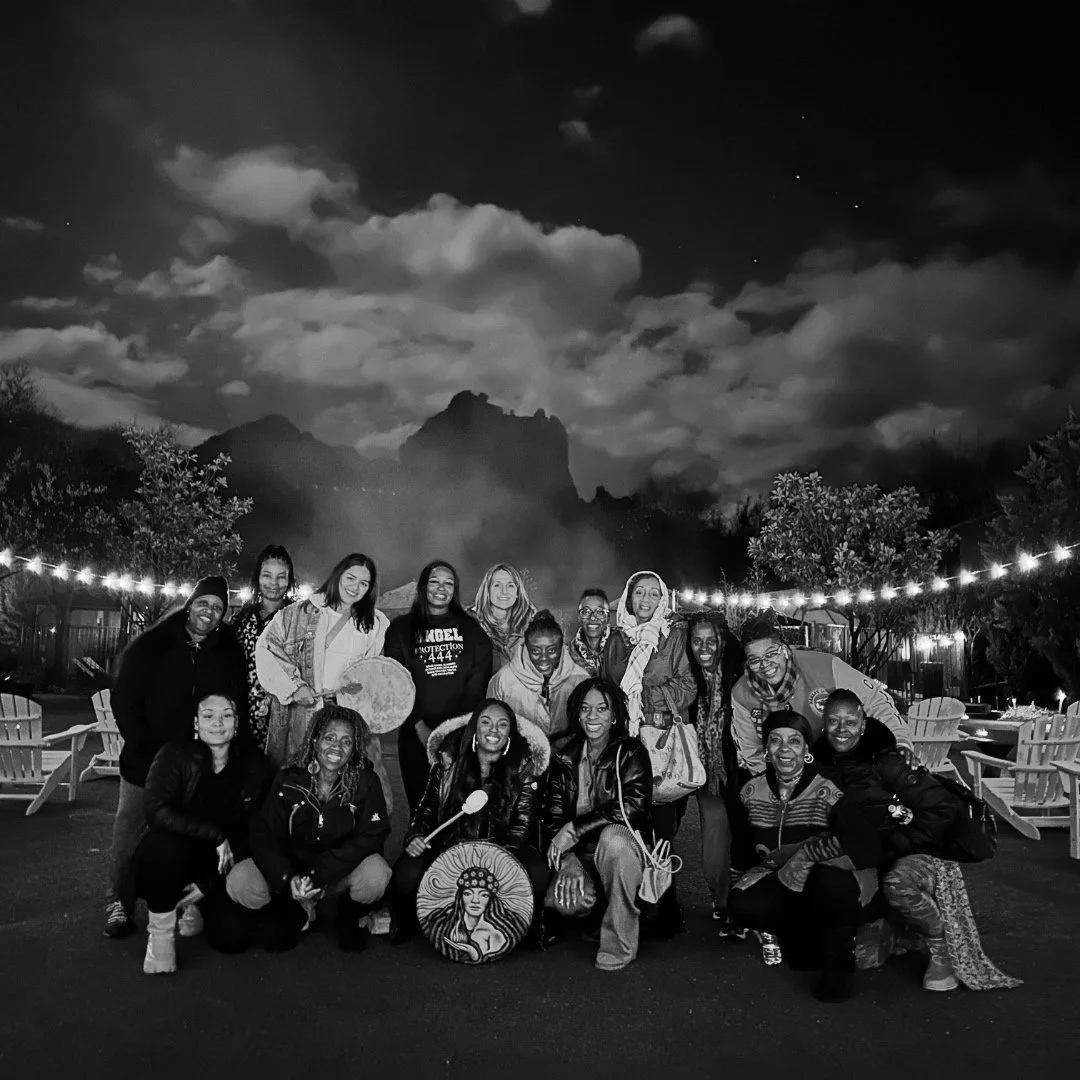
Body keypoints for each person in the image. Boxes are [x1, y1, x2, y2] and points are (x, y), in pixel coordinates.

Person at [817, 689, 1022, 992]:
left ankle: (940, 949)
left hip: (913, 850)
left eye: (850, 721)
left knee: (896, 884)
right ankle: (894, 927)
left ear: (863, 725)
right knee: (856, 940)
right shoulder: (820, 764)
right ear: (824, 724)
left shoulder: (889, 762)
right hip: (863, 853)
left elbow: (942, 808)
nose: (841, 729)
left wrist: (897, 845)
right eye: (834, 721)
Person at [104, 575, 248, 940]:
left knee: (184, 834)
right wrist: (141, 741)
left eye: (218, 608)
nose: (209, 612)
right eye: (203, 603)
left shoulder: (228, 650)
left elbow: (237, 700)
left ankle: (181, 902)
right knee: (130, 829)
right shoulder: (152, 644)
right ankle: (119, 901)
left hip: (196, 763)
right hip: (146, 758)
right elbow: (124, 698)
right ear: (190, 604)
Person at [728, 709, 882, 1003]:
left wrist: (806, 855)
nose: (784, 750)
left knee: (827, 883)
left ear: (806, 749)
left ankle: (842, 959)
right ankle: (802, 937)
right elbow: (742, 846)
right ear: (766, 748)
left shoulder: (828, 786)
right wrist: (737, 889)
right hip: (786, 878)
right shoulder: (750, 790)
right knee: (744, 903)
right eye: (776, 741)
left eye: (794, 741)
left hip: (840, 879)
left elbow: (866, 845)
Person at [227, 703, 392, 953]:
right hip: (295, 873)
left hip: (336, 872)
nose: (336, 747)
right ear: (315, 740)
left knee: (376, 874)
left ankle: (347, 916)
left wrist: (320, 873)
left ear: (354, 749)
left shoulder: (366, 782)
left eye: (346, 742)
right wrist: (288, 877)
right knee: (240, 881)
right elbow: (264, 834)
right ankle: (292, 910)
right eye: (329, 738)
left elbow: (373, 834)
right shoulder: (289, 778)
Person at [390, 698, 550, 944]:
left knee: (538, 874)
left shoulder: (523, 767)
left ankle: (529, 923)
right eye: (485, 722)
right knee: (407, 871)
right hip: (450, 844)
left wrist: (494, 859)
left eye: (502, 724)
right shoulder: (448, 761)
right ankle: (407, 919)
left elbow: (522, 824)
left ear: (510, 732)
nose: (493, 730)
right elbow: (426, 808)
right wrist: (416, 835)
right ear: (475, 727)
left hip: (505, 847)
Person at [134, 691, 273, 974]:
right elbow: (156, 811)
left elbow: (257, 830)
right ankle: (160, 937)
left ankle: (198, 905)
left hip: (222, 863)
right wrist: (215, 835)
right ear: (196, 723)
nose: (218, 723)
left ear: (236, 723)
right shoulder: (175, 754)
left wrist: (208, 884)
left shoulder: (254, 764)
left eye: (226, 715)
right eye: (209, 716)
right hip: (179, 852)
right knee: (160, 850)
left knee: (233, 939)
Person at [255, 553, 393, 810]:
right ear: (338, 576)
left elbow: (373, 671)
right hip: (306, 712)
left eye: (364, 583)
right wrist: (294, 686)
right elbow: (266, 648)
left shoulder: (374, 623)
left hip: (347, 717)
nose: (355, 587)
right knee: (300, 780)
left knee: (346, 785)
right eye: (350, 578)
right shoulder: (300, 612)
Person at [602, 570, 696, 933]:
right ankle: (632, 906)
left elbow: (688, 685)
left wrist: (644, 695)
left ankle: (664, 911)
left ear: (663, 600)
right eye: (639, 592)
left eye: (653, 594)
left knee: (662, 828)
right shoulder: (617, 638)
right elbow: (607, 687)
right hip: (626, 742)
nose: (645, 599)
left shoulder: (673, 635)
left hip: (660, 739)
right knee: (631, 823)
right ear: (628, 597)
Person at [543, 678, 653, 972]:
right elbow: (553, 818)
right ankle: (599, 913)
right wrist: (568, 860)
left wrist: (576, 829)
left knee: (612, 839)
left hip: (622, 854)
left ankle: (619, 945)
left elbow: (633, 808)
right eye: (585, 708)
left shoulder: (631, 751)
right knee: (564, 901)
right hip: (582, 856)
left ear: (614, 714)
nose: (592, 715)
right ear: (577, 715)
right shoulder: (564, 758)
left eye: (602, 709)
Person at [731, 617, 914, 777]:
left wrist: (901, 742)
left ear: (785, 649)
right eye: (754, 660)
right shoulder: (741, 693)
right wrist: (768, 784)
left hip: (839, 761)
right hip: (783, 771)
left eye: (771, 654)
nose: (765, 664)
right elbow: (751, 750)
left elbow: (875, 701)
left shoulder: (825, 666)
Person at [384, 560, 493, 811]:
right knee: (420, 806)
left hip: (459, 734)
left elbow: (477, 683)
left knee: (456, 806)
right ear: (423, 586)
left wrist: (454, 732)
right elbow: (396, 681)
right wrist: (420, 726)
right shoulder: (401, 628)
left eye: (448, 583)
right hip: (415, 735)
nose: (441, 588)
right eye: (434, 581)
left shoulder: (470, 628)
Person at [685, 609, 747, 937]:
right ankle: (720, 899)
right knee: (713, 849)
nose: (704, 648)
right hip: (707, 776)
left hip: (740, 772)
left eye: (711, 640)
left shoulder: (738, 675)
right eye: (697, 641)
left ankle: (737, 908)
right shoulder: (688, 679)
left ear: (722, 641)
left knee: (745, 841)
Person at [487, 609, 589, 744]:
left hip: (567, 753)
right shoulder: (503, 680)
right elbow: (492, 726)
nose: (544, 658)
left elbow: (587, 728)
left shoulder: (581, 679)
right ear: (526, 647)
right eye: (535, 651)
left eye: (551, 650)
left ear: (562, 647)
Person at [231, 544, 295, 751]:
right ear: (257, 577)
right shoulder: (241, 618)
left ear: (289, 580)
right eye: (267, 575)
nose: (274, 583)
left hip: (283, 716)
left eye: (281, 577)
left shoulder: (297, 619)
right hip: (241, 715)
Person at [468, 563, 537, 672]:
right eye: (497, 585)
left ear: (517, 592)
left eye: (510, 585)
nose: (504, 591)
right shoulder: (468, 625)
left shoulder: (534, 624)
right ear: (487, 591)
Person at [568, 588, 611, 677]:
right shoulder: (567, 654)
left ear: (608, 617)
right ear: (579, 617)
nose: (592, 617)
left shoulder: (624, 645)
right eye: (586, 612)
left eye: (600, 612)